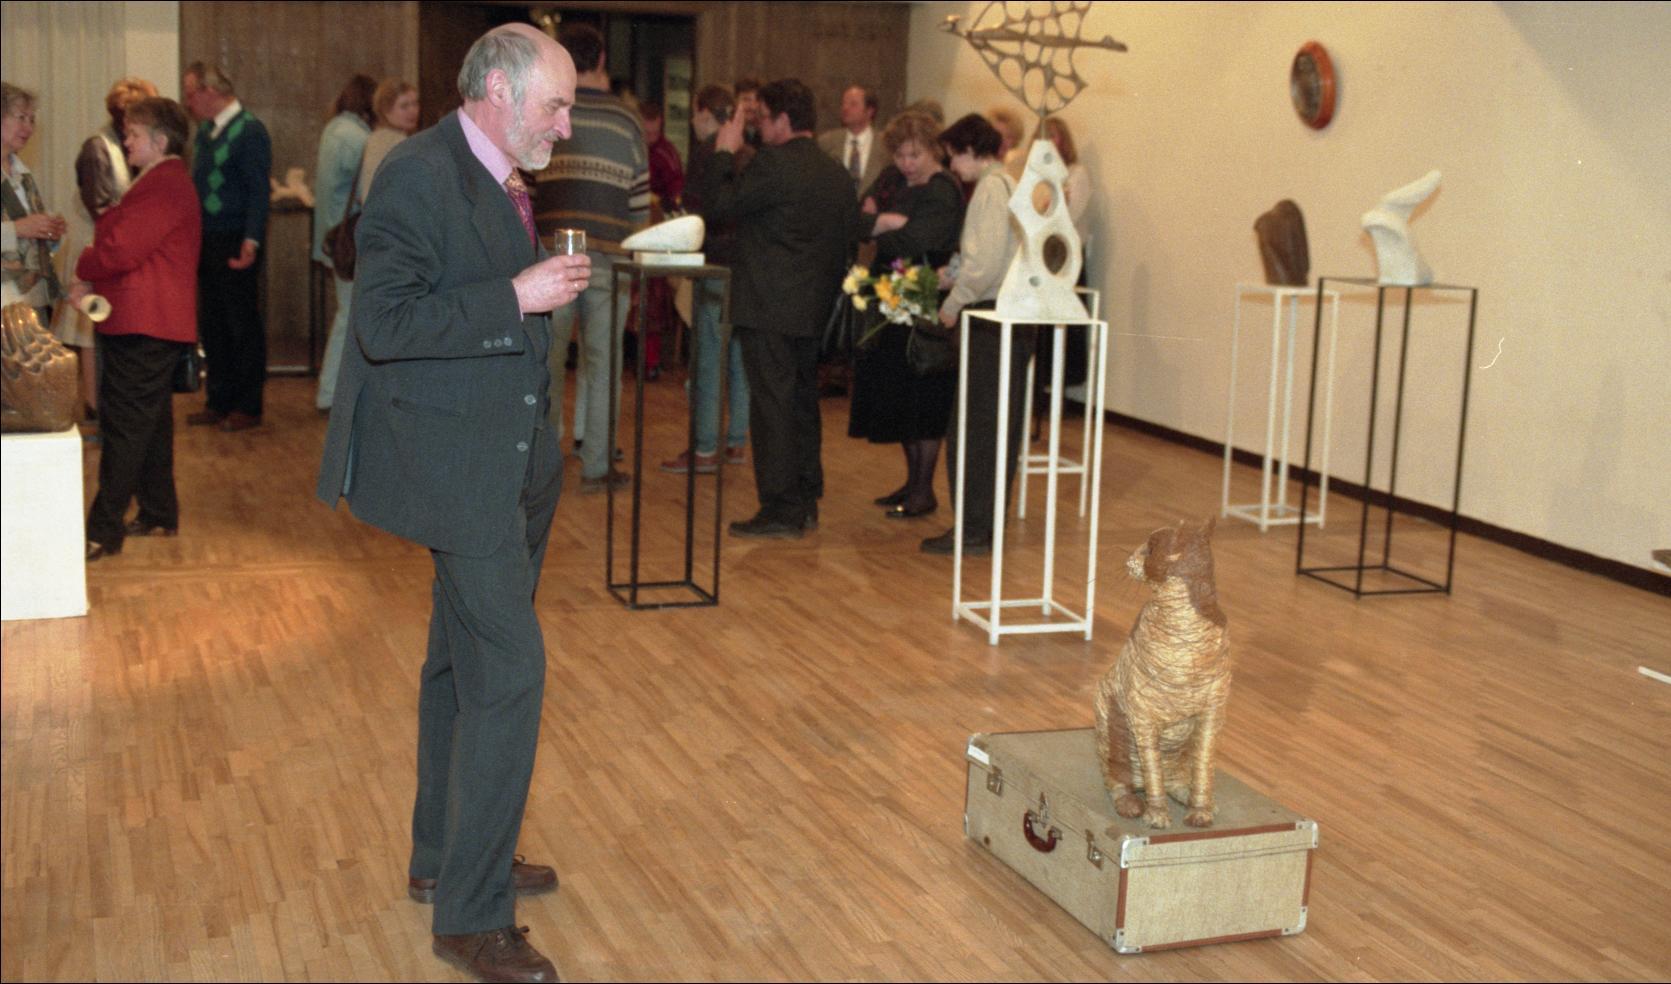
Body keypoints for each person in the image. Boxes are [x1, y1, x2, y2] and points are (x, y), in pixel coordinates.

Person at [316, 22, 587, 983]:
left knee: (457, 666)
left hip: (511, 459)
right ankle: (472, 916)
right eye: (555, 105)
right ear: (499, 91)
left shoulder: (499, 175)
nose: (565, 125)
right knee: (510, 673)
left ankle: (444, 856)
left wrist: (529, 295)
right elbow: (383, 324)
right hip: (458, 470)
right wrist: (516, 295)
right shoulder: (418, 175)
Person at [696, 78, 860, 539]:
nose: (758, 128)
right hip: (814, 308)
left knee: (771, 408)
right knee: (803, 404)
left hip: (768, 306)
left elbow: (719, 207)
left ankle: (781, 508)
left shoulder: (773, 164)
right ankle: (805, 498)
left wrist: (723, 153)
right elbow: (849, 236)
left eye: (763, 118)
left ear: (784, 121)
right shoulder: (834, 172)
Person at [74, 97, 200, 560]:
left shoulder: (163, 185)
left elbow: (120, 250)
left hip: (145, 322)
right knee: (150, 423)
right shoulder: (162, 181)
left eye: (133, 134)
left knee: (125, 427)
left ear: (160, 141)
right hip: (149, 320)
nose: (125, 141)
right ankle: (158, 511)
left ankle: (102, 530)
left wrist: (84, 264)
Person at [529, 22, 649, 494]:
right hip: (609, 257)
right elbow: (639, 201)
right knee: (604, 364)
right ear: (601, 60)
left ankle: (541, 464)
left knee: (547, 362)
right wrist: (635, 250)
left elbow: (528, 188)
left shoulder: (549, 112)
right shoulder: (627, 120)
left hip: (550, 255)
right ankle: (597, 465)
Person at [921, 114, 1030, 557]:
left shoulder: (988, 188)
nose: (953, 166)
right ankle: (982, 527)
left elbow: (983, 267)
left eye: (954, 156)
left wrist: (951, 304)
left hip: (989, 318)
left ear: (970, 150)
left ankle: (970, 528)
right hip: (1010, 316)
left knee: (974, 429)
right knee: (996, 428)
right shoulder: (1006, 184)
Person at [847, 112, 963, 520]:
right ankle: (913, 483)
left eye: (915, 154)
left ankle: (922, 490)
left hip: (922, 303)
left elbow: (915, 241)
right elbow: (856, 221)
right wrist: (884, 221)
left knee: (922, 399)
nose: (906, 163)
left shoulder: (942, 190)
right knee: (898, 397)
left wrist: (881, 225)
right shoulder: (891, 180)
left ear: (933, 149)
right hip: (893, 300)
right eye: (899, 155)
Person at [660, 84, 749, 475]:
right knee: (739, 361)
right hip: (744, 270)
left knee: (708, 360)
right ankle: (736, 442)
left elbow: (697, 212)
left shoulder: (705, 154)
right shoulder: (748, 153)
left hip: (712, 265)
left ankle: (705, 448)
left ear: (704, 113)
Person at [182, 62, 272, 432]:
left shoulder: (249, 130)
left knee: (241, 323)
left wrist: (252, 239)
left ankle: (247, 405)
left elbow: (258, 191)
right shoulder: (205, 131)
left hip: (235, 238)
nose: (188, 102)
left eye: (191, 94)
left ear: (210, 91)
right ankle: (218, 400)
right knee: (213, 322)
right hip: (207, 238)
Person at [311, 74, 375, 413]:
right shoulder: (358, 137)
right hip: (350, 239)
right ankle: (331, 393)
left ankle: (331, 391)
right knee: (348, 316)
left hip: (334, 238)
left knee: (345, 314)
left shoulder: (333, 129)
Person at [1, 83, 66, 324]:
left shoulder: (23, 173)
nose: (28, 128)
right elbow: (20, 228)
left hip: (29, 298)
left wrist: (50, 232)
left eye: (32, 119)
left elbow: (30, 234)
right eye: (21, 118)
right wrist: (18, 229)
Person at [636, 99, 684, 380]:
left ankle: (650, 359)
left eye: (654, 133)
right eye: (646, 133)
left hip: (655, 234)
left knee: (652, 296)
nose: (650, 138)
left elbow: (676, 196)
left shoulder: (667, 154)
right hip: (630, 231)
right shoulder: (631, 148)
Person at [358, 78, 420, 201]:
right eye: (404, 106)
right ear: (386, 111)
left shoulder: (374, 138)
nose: (413, 111)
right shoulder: (399, 143)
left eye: (415, 103)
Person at [818, 84, 884, 198]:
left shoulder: (886, 144)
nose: (845, 108)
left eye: (853, 104)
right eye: (843, 103)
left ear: (869, 111)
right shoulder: (826, 142)